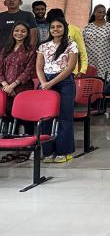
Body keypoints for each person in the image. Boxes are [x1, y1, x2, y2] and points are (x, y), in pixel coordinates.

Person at [37, 18, 78, 163]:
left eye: (59, 26)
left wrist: (51, 83)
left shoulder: (71, 45)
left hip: (64, 82)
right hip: (46, 81)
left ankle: (64, 152)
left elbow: (70, 68)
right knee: (45, 118)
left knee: (64, 117)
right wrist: (44, 83)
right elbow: (39, 67)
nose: (55, 29)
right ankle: (48, 152)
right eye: (53, 27)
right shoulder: (43, 46)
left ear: (64, 28)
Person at [0, 22, 36, 163]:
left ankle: (26, 150)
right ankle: (12, 150)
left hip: (23, 90)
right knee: (10, 120)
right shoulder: (6, 49)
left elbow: (29, 71)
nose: (19, 33)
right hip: (6, 91)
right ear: (12, 32)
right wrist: (5, 85)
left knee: (25, 121)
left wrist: (14, 85)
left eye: (23, 31)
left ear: (27, 34)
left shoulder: (31, 50)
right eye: (17, 30)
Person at [46, 9, 87, 77]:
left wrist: (83, 70)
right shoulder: (51, 31)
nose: (55, 27)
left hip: (70, 72)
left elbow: (82, 51)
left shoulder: (75, 30)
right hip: (52, 71)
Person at [83, 4, 110, 81]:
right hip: (90, 60)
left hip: (105, 60)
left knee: (103, 80)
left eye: (103, 12)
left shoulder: (109, 27)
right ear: (94, 13)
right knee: (91, 80)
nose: (102, 14)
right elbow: (83, 43)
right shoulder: (88, 27)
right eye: (99, 12)